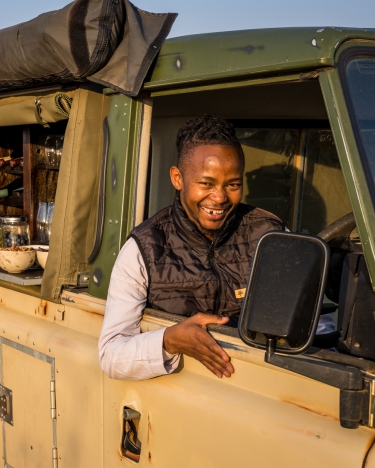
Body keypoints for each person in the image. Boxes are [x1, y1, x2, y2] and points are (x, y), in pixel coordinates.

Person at [97, 115, 285, 381]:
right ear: (177, 178)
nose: (219, 197)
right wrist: (169, 340)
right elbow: (111, 356)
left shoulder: (271, 237)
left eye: (232, 184)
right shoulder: (144, 249)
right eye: (206, 183)